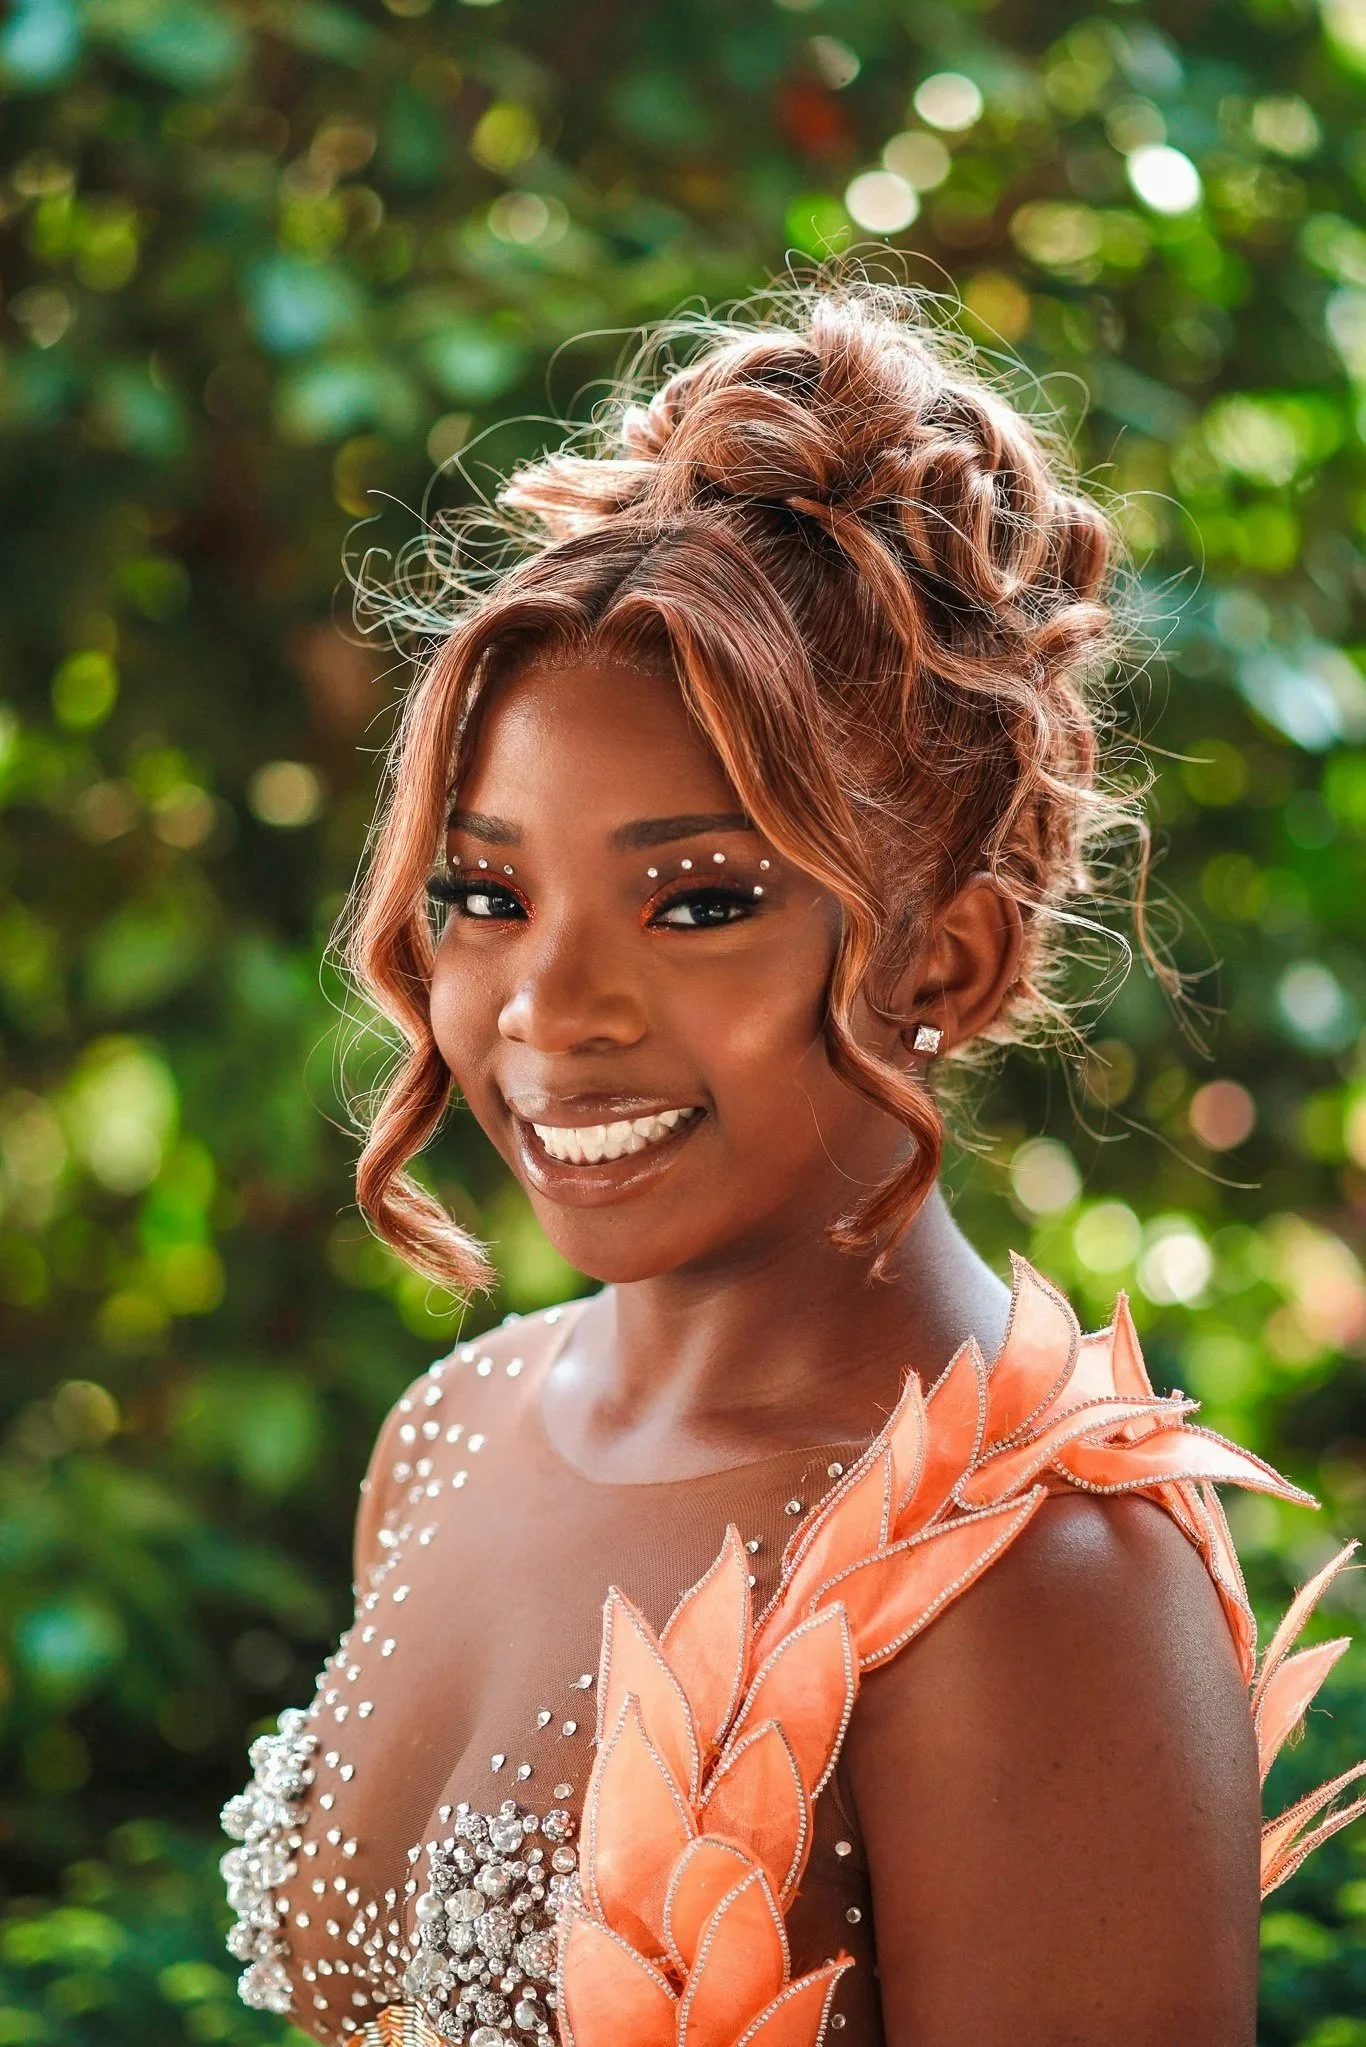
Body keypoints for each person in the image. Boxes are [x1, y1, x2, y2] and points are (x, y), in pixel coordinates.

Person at [220, 281, 1362, 2047]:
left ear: (949, 962)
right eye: (484, 893)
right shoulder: (447, 1430)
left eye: (697, 902)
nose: (550, 1008)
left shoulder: (1035, 1583)